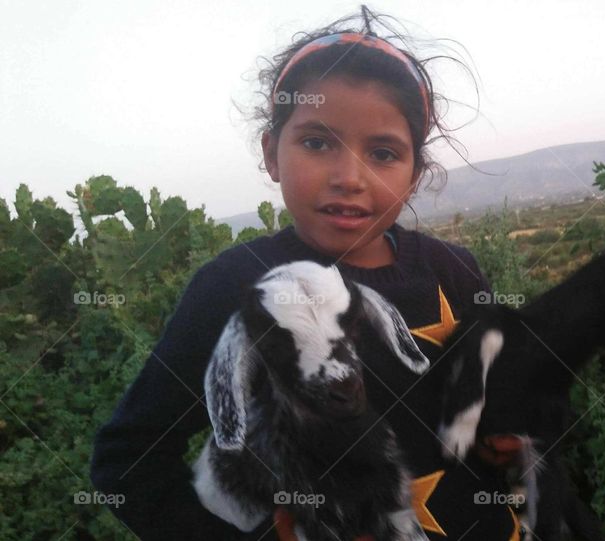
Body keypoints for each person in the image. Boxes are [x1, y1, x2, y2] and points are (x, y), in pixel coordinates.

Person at [90, 7, 523, 540]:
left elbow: (509, 406)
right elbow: (127, 462)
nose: (349, 177)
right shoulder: (234, 287)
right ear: (272, 153)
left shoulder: (454, 272)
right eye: (317, 143)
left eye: (383, 153)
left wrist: (519, 440)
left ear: (414, 175)